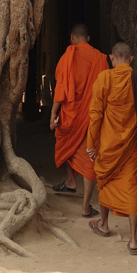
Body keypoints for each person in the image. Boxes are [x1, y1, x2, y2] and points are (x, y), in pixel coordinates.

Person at [86, 41, 137, 255]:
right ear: (131, 59)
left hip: (108, 144)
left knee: (104, 180)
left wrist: (91, 144)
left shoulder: (105, 79)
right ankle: (134, 240)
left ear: (111, 58)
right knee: (131, 188)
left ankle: (103, 224)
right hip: (132, 145)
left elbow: (96, 114)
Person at [49, 24, 108, 217]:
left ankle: (72, 184)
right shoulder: (100, 58)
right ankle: (76, 191)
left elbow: (60, 89)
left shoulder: (68, 57)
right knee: (89, 157)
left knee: (65, 144)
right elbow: (106, 89)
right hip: (92, 117)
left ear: (73, 37)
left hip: (69, 114)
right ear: (88, 38)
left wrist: (53, 113)